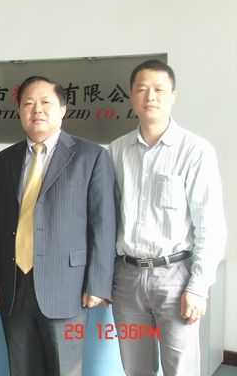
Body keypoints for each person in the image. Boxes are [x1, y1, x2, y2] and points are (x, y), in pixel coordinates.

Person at [0, 75, 117, 376]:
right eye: (28, 103)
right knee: (21, 368)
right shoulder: (3, 160)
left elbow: (104, 224)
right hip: (14, 283)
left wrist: (97, 283)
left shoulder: (91, 156)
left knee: (64, 368)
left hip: (67, 285)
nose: (37, 110)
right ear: (19, 111)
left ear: (63, 109)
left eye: (46, 102)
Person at [109, 60, 226, 376]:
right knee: (136, 368)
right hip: (127, 278)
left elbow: (210, 225)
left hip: (175, 278)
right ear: (131, 96)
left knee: (181, 369)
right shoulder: (116, 151)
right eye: (142, 89)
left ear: (173, 96)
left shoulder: (195, 151)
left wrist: (198, 287)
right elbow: (107, 219)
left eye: (159, 90)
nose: (150, 97)